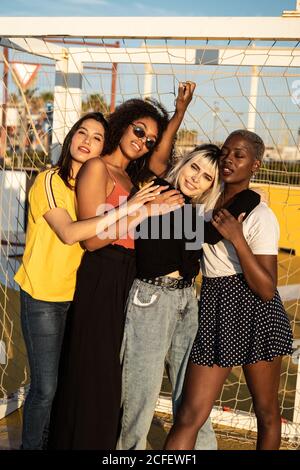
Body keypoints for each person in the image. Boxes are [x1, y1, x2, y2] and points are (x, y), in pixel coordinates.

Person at [48, 87, 196, 450]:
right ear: (123, 126)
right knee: (94, 373)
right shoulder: (98, 168)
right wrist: (141, 210)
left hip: (131, 279)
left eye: (150, 139)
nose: (144, 141)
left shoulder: (136, 179)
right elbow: (92, 240)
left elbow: (162, 158)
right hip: (102, 274)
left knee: (114, 376)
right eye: (139, 131)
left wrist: (179, 113)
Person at [14, 111, 164, 450]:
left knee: (70, 379)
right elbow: (72, 235)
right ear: (71, 138)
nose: (88, 142)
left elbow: (154, 162)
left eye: (97, 137)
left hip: (76, 293)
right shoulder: (51, 180)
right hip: (44, 296)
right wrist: (134, 209)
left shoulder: (93, 181)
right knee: (46, 387)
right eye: (82, 133)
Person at [117, 143, 261, 450]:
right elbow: (207, 233)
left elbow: (207, 230)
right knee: (141, 394)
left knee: (193, 394)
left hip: (186, 300)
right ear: (182, 163)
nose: (196, 178)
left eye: (207, 177)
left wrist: (248, 194)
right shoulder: (158, 191)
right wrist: (248, 195)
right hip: (151, 299)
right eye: (194, 167)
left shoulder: (193, 210)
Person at [164, 130, 293, 451]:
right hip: (215, 307)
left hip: (257, 313)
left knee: (266, 414)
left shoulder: (261, 216)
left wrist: (236, 237)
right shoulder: (203, 207)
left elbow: (266, 288)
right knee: (189, 415)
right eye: (225, 152)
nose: (229, 159)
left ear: (255, 165)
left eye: (240, 155)